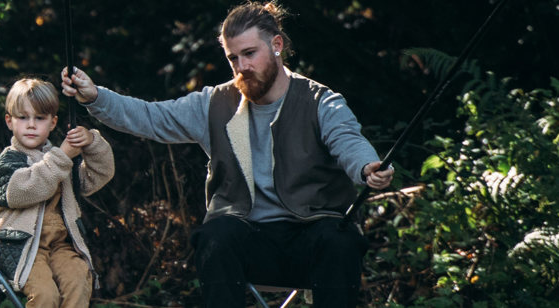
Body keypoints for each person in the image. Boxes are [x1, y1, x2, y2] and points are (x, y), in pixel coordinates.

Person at [54, 2, 394, 307]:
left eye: (249, 53)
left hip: (312, 236)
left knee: (340, 239)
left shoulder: (320, 100)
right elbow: (150, 117)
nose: (241, 66)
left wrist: (366, 168)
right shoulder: (214, 103)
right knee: (214, 235)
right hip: (247, 240)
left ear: (276, 45)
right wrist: (94, 96)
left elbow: (348, 140)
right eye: (233, 58)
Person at [0, 78, 116, 308]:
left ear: (52, 122)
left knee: (78, 281)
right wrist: (63, 156)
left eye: (39, 118)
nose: (30, 125)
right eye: (23, 117)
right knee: (45, 296)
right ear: (9, 121)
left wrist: (91, 143)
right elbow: (26, 190)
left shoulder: (59, 160)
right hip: (23, 247)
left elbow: (97, 176)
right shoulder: (8, 162)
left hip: (61, 245)